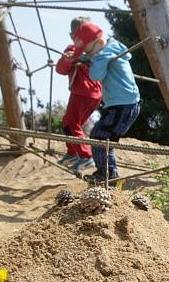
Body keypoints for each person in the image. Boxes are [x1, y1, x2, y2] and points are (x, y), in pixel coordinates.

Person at [71, 22, 140, 184]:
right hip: (121, 104)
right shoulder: (109, 49)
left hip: (124, 105)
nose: (88, 54)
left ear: (99, 43)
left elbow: (95, 75)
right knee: (102, 138)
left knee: (100, 138)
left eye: (88, 50)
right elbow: (93, 57)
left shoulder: (104, 55)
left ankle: (107, 174)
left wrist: (91, 59)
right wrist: (85, 57)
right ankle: (108, 172)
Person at [55, 16, 102, 172]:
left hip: (83, 92)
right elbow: (61, 69)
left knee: (71, 123)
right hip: (94, 94)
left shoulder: (79, 50)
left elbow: (60, 69)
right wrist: (69, 60)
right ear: (73, 36)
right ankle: (73, 152)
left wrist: (71, 58)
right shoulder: (76, 51)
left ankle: (86, 155)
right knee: (68, 123)